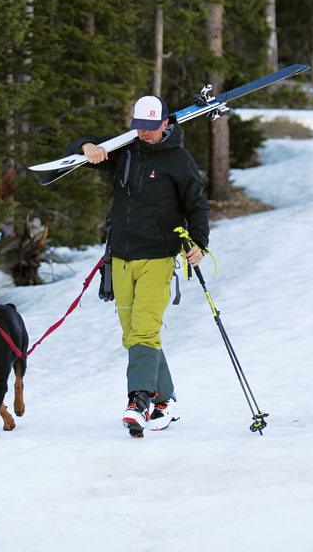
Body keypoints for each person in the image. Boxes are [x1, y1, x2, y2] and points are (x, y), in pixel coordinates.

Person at [68, 94, 209, 437]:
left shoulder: (179, 159)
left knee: (145, 330)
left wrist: (200, 243)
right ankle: (167, 399)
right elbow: (76, 146)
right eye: (139, 127)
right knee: (132, 334)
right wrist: (88, 147)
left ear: (165, 123)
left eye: (151, 127)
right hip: (120, 256)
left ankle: (140, 401)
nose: (145, 133)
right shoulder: (125, 151)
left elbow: (197, 204)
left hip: (157, 257)